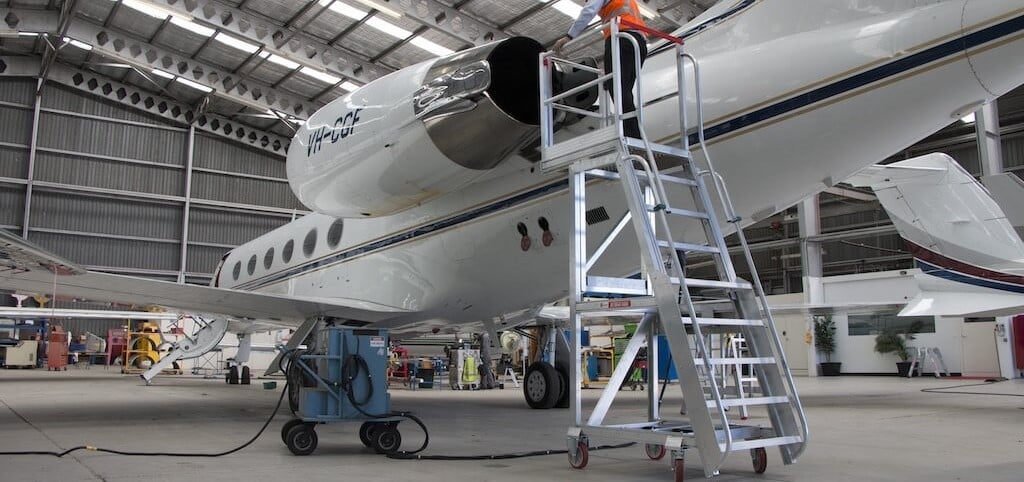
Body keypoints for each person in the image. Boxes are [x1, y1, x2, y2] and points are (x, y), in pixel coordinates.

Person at [554, 0, 649, 138]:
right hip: (638, 42)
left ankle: (632, 134)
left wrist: (569, 36)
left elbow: (589, 11)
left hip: (621, 38)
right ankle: (633, 132)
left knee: (618, 89)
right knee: (623, 89)